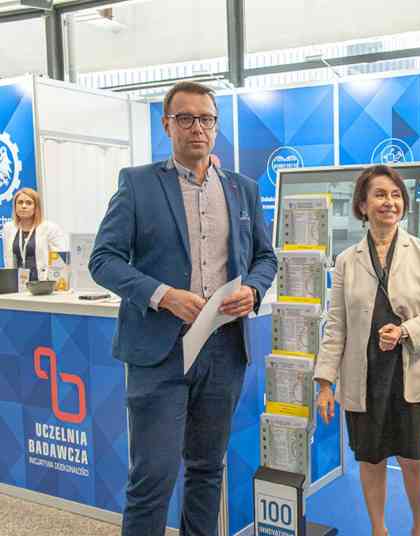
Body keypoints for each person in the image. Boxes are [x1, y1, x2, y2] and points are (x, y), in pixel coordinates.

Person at [89, 81, 277, 536]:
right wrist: (163, 294)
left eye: (206, 119)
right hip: (160, 351)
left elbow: (265, 257)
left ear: (216, 125)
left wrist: (253, 290)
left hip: (224, 349)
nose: (198, 128)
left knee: (208, 469)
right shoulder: (137, 184)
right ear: (167, 124)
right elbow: (103, 260)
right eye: (186, 118)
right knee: (153, 477)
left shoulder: (243, 189)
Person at [313, 165, 420, 536]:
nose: (389, 202)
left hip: (411, 371)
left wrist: (406, 331)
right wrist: (325, 382)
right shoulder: (346, 260)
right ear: (362, 205)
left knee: (412, 458)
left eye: (395, 195)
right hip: (364, 376)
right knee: (370, 459)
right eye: (379, 195)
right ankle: (379, 529)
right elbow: (336, 325)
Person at [2, 187, 67, 281]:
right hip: (17, 284)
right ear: (15, 206)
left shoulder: (50, 228)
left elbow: (60, 261)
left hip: (43, 283)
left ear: (36, 207)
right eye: (20, 202)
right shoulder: (8, 228)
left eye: (29, 203)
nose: (24, 206)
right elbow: (7, 259)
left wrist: (52, 283)